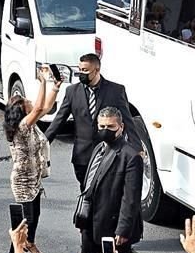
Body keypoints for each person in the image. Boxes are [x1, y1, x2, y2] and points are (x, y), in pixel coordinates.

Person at [44, 53, 137, 189]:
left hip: (110, 153)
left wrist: (137, 147)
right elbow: (59, 120)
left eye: (85, 70)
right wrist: (43, 142)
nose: (81, 73)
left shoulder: (116, 91)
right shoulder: (72, 92)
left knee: (107, 193)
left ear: (97, 70)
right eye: (80, 69)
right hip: (82, 157)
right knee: (86, 193)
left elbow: (128, 120)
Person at [75, 106, 142, 253]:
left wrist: (123, 229)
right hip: (90, 224)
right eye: (102, 127)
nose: (105, 131)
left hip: (112, 228)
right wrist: (81, 218)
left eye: (110, 127)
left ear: (121, 127)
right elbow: (89, 185)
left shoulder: (130, 156)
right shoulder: (98, 148)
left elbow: (131, 198)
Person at [4, 68, 60, 253]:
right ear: (21, 110)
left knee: (35, 216)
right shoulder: (22, 127)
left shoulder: (31, 124)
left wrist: (55, 88)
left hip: (34, 178)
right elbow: (38, 108)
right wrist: (42, 82)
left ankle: (29, 244)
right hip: (22, 181)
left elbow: (45, 107)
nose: (30, 102)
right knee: (24, 221)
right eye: (26, 102)